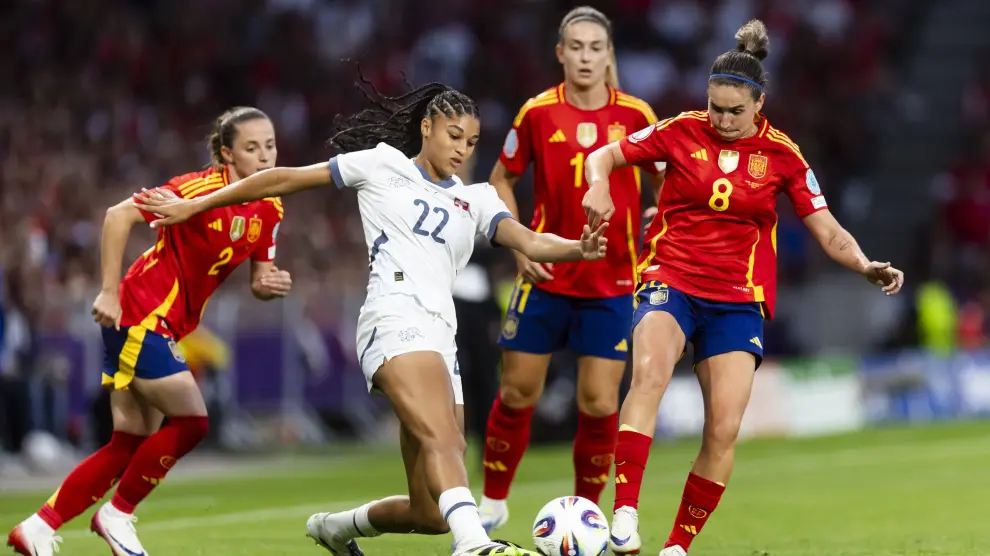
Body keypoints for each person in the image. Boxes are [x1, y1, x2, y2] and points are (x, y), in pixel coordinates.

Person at [132, 80, 609, 556]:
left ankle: (335, 528)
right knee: (443, 437)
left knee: (431, 511)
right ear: (426, 128)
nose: (462, 149)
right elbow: (283, 179)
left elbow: (528, 241)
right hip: (394, 316)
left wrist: (578, 249)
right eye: (453, 135)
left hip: (442, 336)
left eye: (471, 141)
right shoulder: (383, 164)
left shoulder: (479, 198)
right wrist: (196, 203)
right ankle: (475, 545)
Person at [581, 20, 905, 556]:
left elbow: (826, 227)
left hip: (737, 299)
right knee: (648, 377)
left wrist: (864, 264)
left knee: (724, 429)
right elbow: (606, 156)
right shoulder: (679, 129)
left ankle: (677, 546)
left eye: (735, 111)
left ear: (759, 104)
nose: (723, 120)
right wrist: (599, 186)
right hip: (672, 277)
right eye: (715, 108)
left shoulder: (784, 156)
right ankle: (625, 513)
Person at [6, 107, 291, 556]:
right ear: (225, 154)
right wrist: (107, 292)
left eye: (270, 145)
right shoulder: (197, 189)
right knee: (194, 421)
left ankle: (38, 527)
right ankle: (117, 515)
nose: (265, 156)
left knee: (129, 442)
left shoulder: (271, 205)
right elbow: (117, 216)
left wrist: (268, 285)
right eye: (251, 148)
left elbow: (261, 276)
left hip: (165, 325)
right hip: (140, 312)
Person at [479, 6, 666, 532]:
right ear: (560, 53)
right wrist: (520, 249)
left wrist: (660, 214)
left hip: (614, 282)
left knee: (600, 401)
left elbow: (668, 185)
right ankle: (492, 502)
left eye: (595, 48)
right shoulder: (538, 113)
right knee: (517, 392)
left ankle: (585, 515)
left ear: (609, 55)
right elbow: (500, 179)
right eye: (576, 48)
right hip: (546, 276)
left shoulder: (635, 114)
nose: (586, 57)